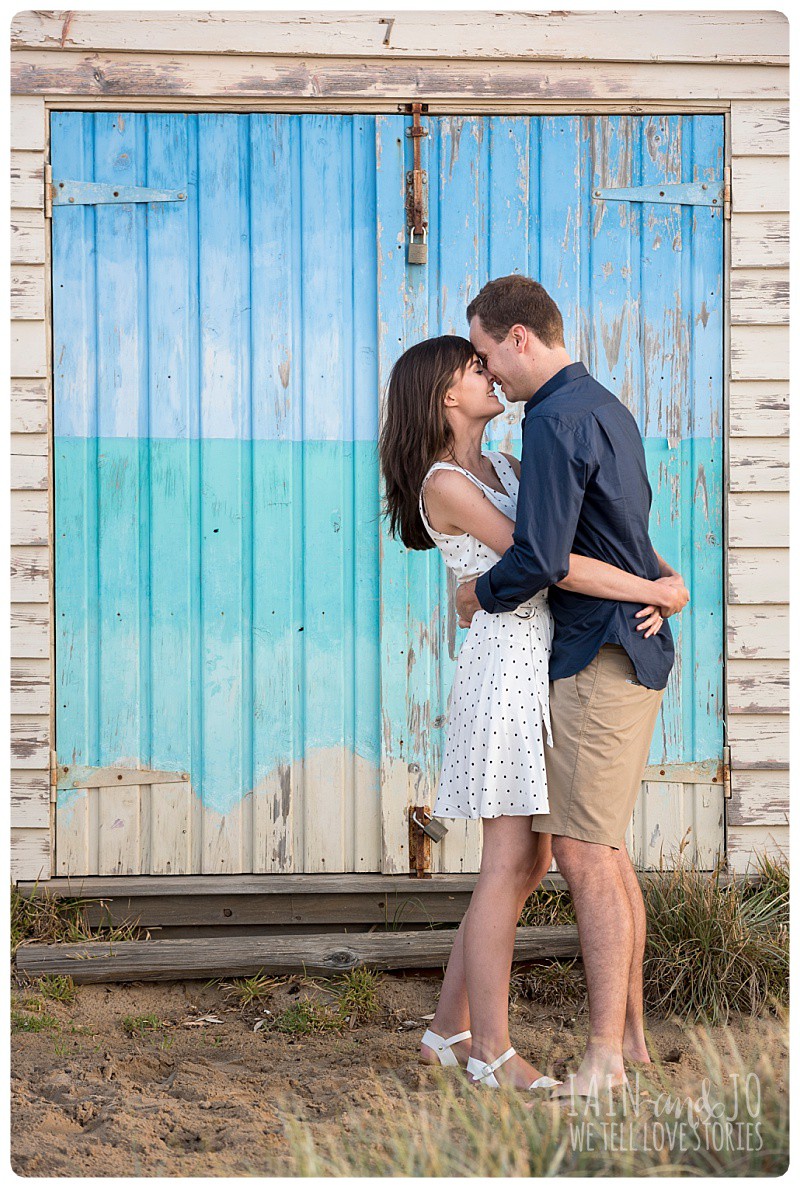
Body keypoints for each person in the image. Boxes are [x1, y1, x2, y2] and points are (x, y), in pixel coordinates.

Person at [379, 332, 687, 1093]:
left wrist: (662, 574)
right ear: (446, 394)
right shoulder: (445, 482)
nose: (490, 376)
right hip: (503, 668)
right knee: (510, 861)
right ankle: (492, 1049)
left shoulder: (507, 464)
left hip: (539, 657)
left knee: (529, 860)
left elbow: (573, 540)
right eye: (474, 368)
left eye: (488, 362)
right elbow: (537, 557)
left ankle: (444, 1031)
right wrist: (652, 589)